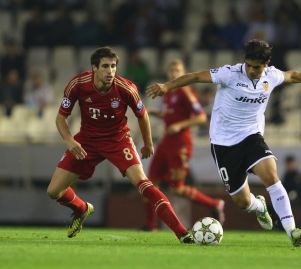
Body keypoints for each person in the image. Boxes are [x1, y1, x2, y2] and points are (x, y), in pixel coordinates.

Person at [147, 39, 301, 247]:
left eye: (256, 67)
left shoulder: (271, 76)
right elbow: (194, 76)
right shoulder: (229, 74)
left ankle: (292, 231)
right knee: (242, 202)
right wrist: (167, 86)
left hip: (251, 136)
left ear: (266, 65)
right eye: (248, 64)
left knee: (271, 175)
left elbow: (291, 75)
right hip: (223, 144)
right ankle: (259, 206)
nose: (251, 70)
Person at [46, 47, 194, 243]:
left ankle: (182, 232)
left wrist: (148, 143)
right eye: (105, 66)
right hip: (87, 141)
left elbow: (142, 115)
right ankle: (82, 209)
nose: (110, 71)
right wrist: (70, 140)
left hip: (118, 139)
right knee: (54, 191)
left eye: (113, 66)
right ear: (94, 68)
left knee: (144, 183)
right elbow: (60, 118)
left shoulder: (126, 88)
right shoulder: (78, 84)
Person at [144, 59, 225, 231]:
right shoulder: (168, 93)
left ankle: (215, 203)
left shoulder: (186, 92)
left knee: (177, 189)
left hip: (180, 143)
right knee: (149, 183)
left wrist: (180, 125)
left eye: (178, 71)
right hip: (166, 141)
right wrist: (151, 112)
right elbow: (168, 115)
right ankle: (151, 226)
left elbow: (202, 117)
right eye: (172, 71)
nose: (174, 74)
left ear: (183, 72)